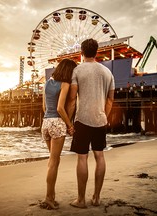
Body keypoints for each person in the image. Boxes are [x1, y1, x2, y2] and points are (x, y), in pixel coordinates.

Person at [66, 38, 115, 208]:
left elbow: (72, 99)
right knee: (99, 156)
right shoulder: (107, 73)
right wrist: (104, 116)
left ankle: (81, 200)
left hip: (82, 119)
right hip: (100, 120)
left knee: (82, 158)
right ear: (97, 52)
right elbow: (110, 100)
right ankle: (96, 198)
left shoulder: (77, 71)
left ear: (82, 52)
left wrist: (69, 123)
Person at [41, 58, 77, 209]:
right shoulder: (65, 84)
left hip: (45, 123)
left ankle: (51, 196)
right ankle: (49, 198)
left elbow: (44, 107)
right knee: (54, 163)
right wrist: (69, 125)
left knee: (52, 162)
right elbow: (60, 108)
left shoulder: (47, 83)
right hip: (57, 123)